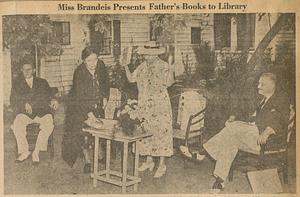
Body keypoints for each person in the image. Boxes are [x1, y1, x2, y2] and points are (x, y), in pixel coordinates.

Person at [180, 72, 290, 190]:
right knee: (230, 139)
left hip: (266, 139)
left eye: (262, 84)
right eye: (258, 83)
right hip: (251, 134)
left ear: (271, 85)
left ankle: (202, 152)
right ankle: (220, 181)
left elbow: (281, 120)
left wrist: (267, 132)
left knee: (232, 128)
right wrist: (234, 117)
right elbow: (251, 116)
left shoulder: (281, 100)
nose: (258, 86)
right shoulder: (263, 99)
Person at [124, 43, 175, 178]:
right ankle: (149, 160)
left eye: (148, 54)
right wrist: (125, 65)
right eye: (144, 54)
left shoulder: (164, 65)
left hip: (159, 104)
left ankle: (162, 164)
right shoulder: (142, 67)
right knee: (145, 131)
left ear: (155, 54)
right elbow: (130, 79)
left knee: (160, 132)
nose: (145, 56)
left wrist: (170, 69)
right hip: (145, 104)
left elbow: (169, 83)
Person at [62, 46, 110, 173]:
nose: (93, 63)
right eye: (89, 60)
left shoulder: (101, 66)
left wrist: (105, 97)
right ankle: (88, 161)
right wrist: (89, 114)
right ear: (84, 61)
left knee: (99, 129)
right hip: (79, 106)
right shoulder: (79, 72)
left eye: (95, 59)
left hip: (97, 103)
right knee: (83, 132)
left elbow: (106, 83)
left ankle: (100, 154)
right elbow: (79, 96)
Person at [10, 61, 58, 164]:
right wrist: (24, 104)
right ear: (21, 71)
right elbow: (13, 100)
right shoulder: (17, 84)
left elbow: (50, 94)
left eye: (29, 69)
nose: (26, 72)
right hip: (25, 114)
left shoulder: (42, 82)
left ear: (34, 70)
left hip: (41, 112)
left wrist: (54, 99)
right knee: (17, 125)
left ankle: (36, 152)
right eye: (24, 69)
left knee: (49, 124)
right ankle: (24, 151)